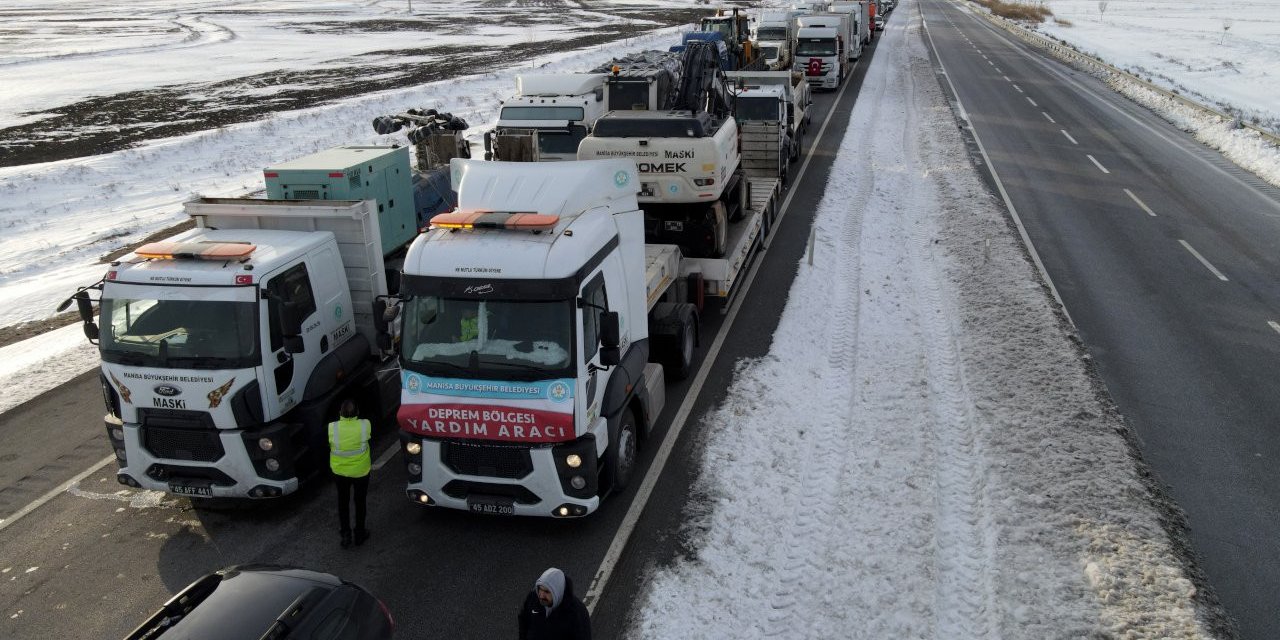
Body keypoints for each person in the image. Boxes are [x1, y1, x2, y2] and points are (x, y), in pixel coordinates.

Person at [328, 399, 371, 549]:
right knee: (360, 502)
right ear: (357, 412)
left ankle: (345, 535)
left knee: (343, 502)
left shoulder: (332, 428)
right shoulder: (365, 425)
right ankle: (359, 533)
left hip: (340, 472)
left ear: (340, 413)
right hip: (361, 471)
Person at [518, 567, 591, 640]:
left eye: (547, 592)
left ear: (557, 592)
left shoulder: (576, 613)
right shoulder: (533, 599)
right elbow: (523, 620)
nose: (541, 595)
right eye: (540, 589)